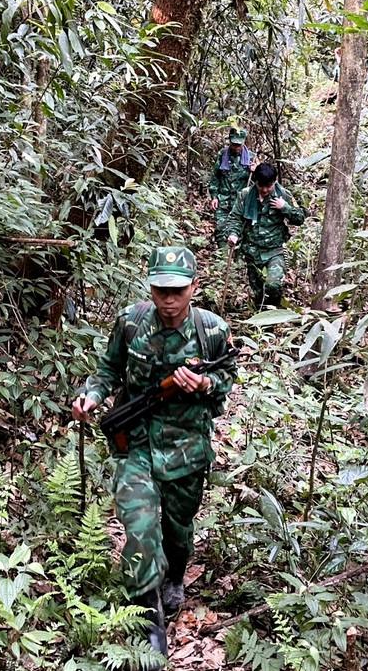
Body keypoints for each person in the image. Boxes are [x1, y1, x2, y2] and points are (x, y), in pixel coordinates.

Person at [72, 246, 236, 662]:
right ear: (150, 286)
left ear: (193, 288)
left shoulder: (212, 331)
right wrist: (92, 395)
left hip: (186, 448)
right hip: (137, 445)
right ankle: (148, 617)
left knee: (178, 529)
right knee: (140, 525)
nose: (168, 298)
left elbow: (225, 381)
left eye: (177, 290)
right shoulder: (130, 322)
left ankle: (174, 576)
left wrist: (202, 385)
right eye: (161, 289)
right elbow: (108, 369)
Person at [226, 162, 306, 309]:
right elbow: (235, 218)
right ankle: (261, 323)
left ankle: (273, 316)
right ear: (255, 182)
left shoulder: (283, 195)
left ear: (274, 182)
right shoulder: (245, 196)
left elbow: (300, 218)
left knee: (273, 286)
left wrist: (285, 208)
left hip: (274, 251)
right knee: (258, 293)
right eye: (260, 186)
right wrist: (233, 234)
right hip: (251, 251)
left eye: (268, 186)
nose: (264, 190)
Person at [208, 127, 253, 246]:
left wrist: (255, 171)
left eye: (239, 145)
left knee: (240, 232)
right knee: (221, 229)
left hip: (241, 203)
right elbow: (215, 177)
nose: (236, 147)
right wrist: (214, 197)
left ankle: (236, 261)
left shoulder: (251, 158)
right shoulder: (223, 154)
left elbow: (260, 184)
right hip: (223, 200)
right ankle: (222, 259)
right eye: (234, 144)